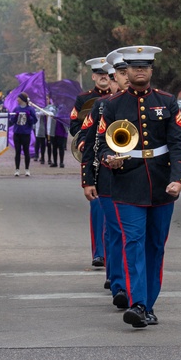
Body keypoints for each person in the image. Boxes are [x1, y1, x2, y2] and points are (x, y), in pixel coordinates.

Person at [91, 46, 181, 328]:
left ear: (151, 70)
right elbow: (101, 146)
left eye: (145, 66)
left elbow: (178, 144)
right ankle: (138, 304)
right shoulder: (111, 105)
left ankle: (149, 302)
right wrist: (109, 160)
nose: (140, 71)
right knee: (133, 244)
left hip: (161, 184)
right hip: (126, 184)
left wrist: (178, 179)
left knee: (155, 246)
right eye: (134, 67)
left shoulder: (167, 101)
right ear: (126, 72)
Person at [78, 53, 128, 306]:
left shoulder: (153, 102)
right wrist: (88, 179)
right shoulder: (100, 105)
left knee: (131, 234)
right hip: (108, 175)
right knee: (115, 231)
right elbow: (87, 144)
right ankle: (119, 283)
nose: (123, 80)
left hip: (141, 177)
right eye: (119, 75)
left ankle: (131, 283)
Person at [75, 57, 113, 268]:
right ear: (94, 76)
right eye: (100, 74)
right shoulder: (85, 99)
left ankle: (112, 254)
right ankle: (99, 252)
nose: (104, 77)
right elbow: (75, 125)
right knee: (98, 208)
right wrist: (83, 143)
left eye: (107, 74)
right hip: (96, 159)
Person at [10, 93, 37, 176]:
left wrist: (29, 117)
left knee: (26, 151)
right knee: (17, 151)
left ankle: (27, 169)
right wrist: (15, 116)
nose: (17, 100)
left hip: (26, 134)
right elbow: (12, 121)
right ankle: (17, 169)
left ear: (22, 99)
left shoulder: (30, 109)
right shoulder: (16, 108)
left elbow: (34, 121)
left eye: (18, 98)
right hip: (17, 133)